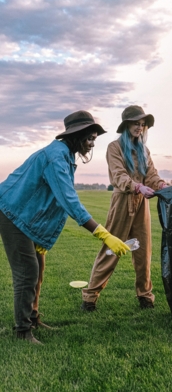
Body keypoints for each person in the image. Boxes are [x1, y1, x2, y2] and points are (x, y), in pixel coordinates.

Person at [0, 110, 130, 344]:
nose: (91, 144)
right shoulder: (57, 157)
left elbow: (49, 200)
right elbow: (69, 201)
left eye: (94, 139)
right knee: (27, 271)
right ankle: (22, 331)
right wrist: (103, 234)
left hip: (25, 215)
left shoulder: (66, 155)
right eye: (89, 138)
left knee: (37, 266)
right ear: (76, 135)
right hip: (11, 211)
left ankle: (33, 318)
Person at [81, 105, 167, 311]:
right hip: (122, 202)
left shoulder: (144, 150)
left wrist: (161, 185)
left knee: (143, 252)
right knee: (111, 250)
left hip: (141, 205)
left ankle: (145, 296)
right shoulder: (114, 147)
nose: (140, 127)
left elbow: (152, 174)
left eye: (143, 124)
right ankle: (90, 296)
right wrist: (137, 186)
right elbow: (118, 175)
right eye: (136, 123)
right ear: (126, 125)